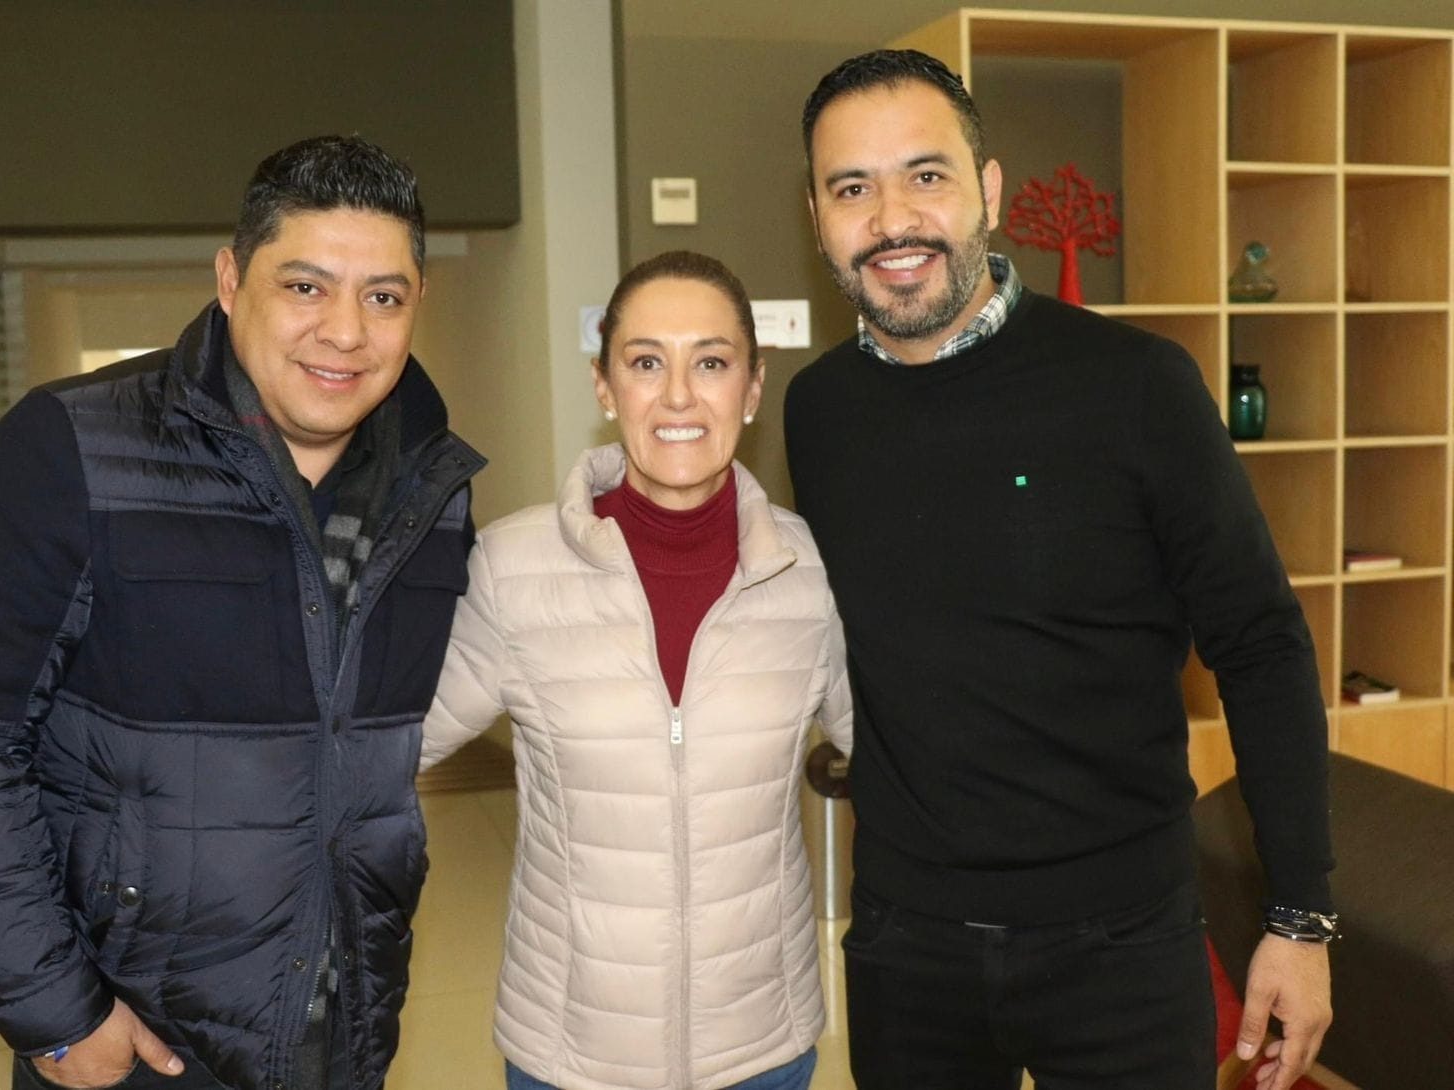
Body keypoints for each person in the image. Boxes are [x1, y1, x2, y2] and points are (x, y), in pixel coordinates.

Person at [0, 135, 483, 1090]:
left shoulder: (432, 487)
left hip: (346, 1028)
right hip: (142, 1041)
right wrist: (57, 1013)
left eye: (383, 297)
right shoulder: (72, 447)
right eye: (305, 287)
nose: (345, 332)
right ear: (230, 279)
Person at [784, 50, 1336, 1090]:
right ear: (816, 216)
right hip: (908, 948)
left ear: (989, 191)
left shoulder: (1137, 386)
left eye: (926, 175)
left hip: (1123, 946)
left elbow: (1261, 645)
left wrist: (1299, 917)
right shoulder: (817, 412)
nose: (892, 219)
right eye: (852, 188)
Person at [420, 249, 852, 1090]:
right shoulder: (513, 569)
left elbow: (902, 748)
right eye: (647, 363)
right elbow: (378, 748)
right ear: (604, 386)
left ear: (752, 388)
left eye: (712, 363)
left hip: (762, 1048)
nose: (679, 396)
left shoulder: (807, 569)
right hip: (572, 1055)